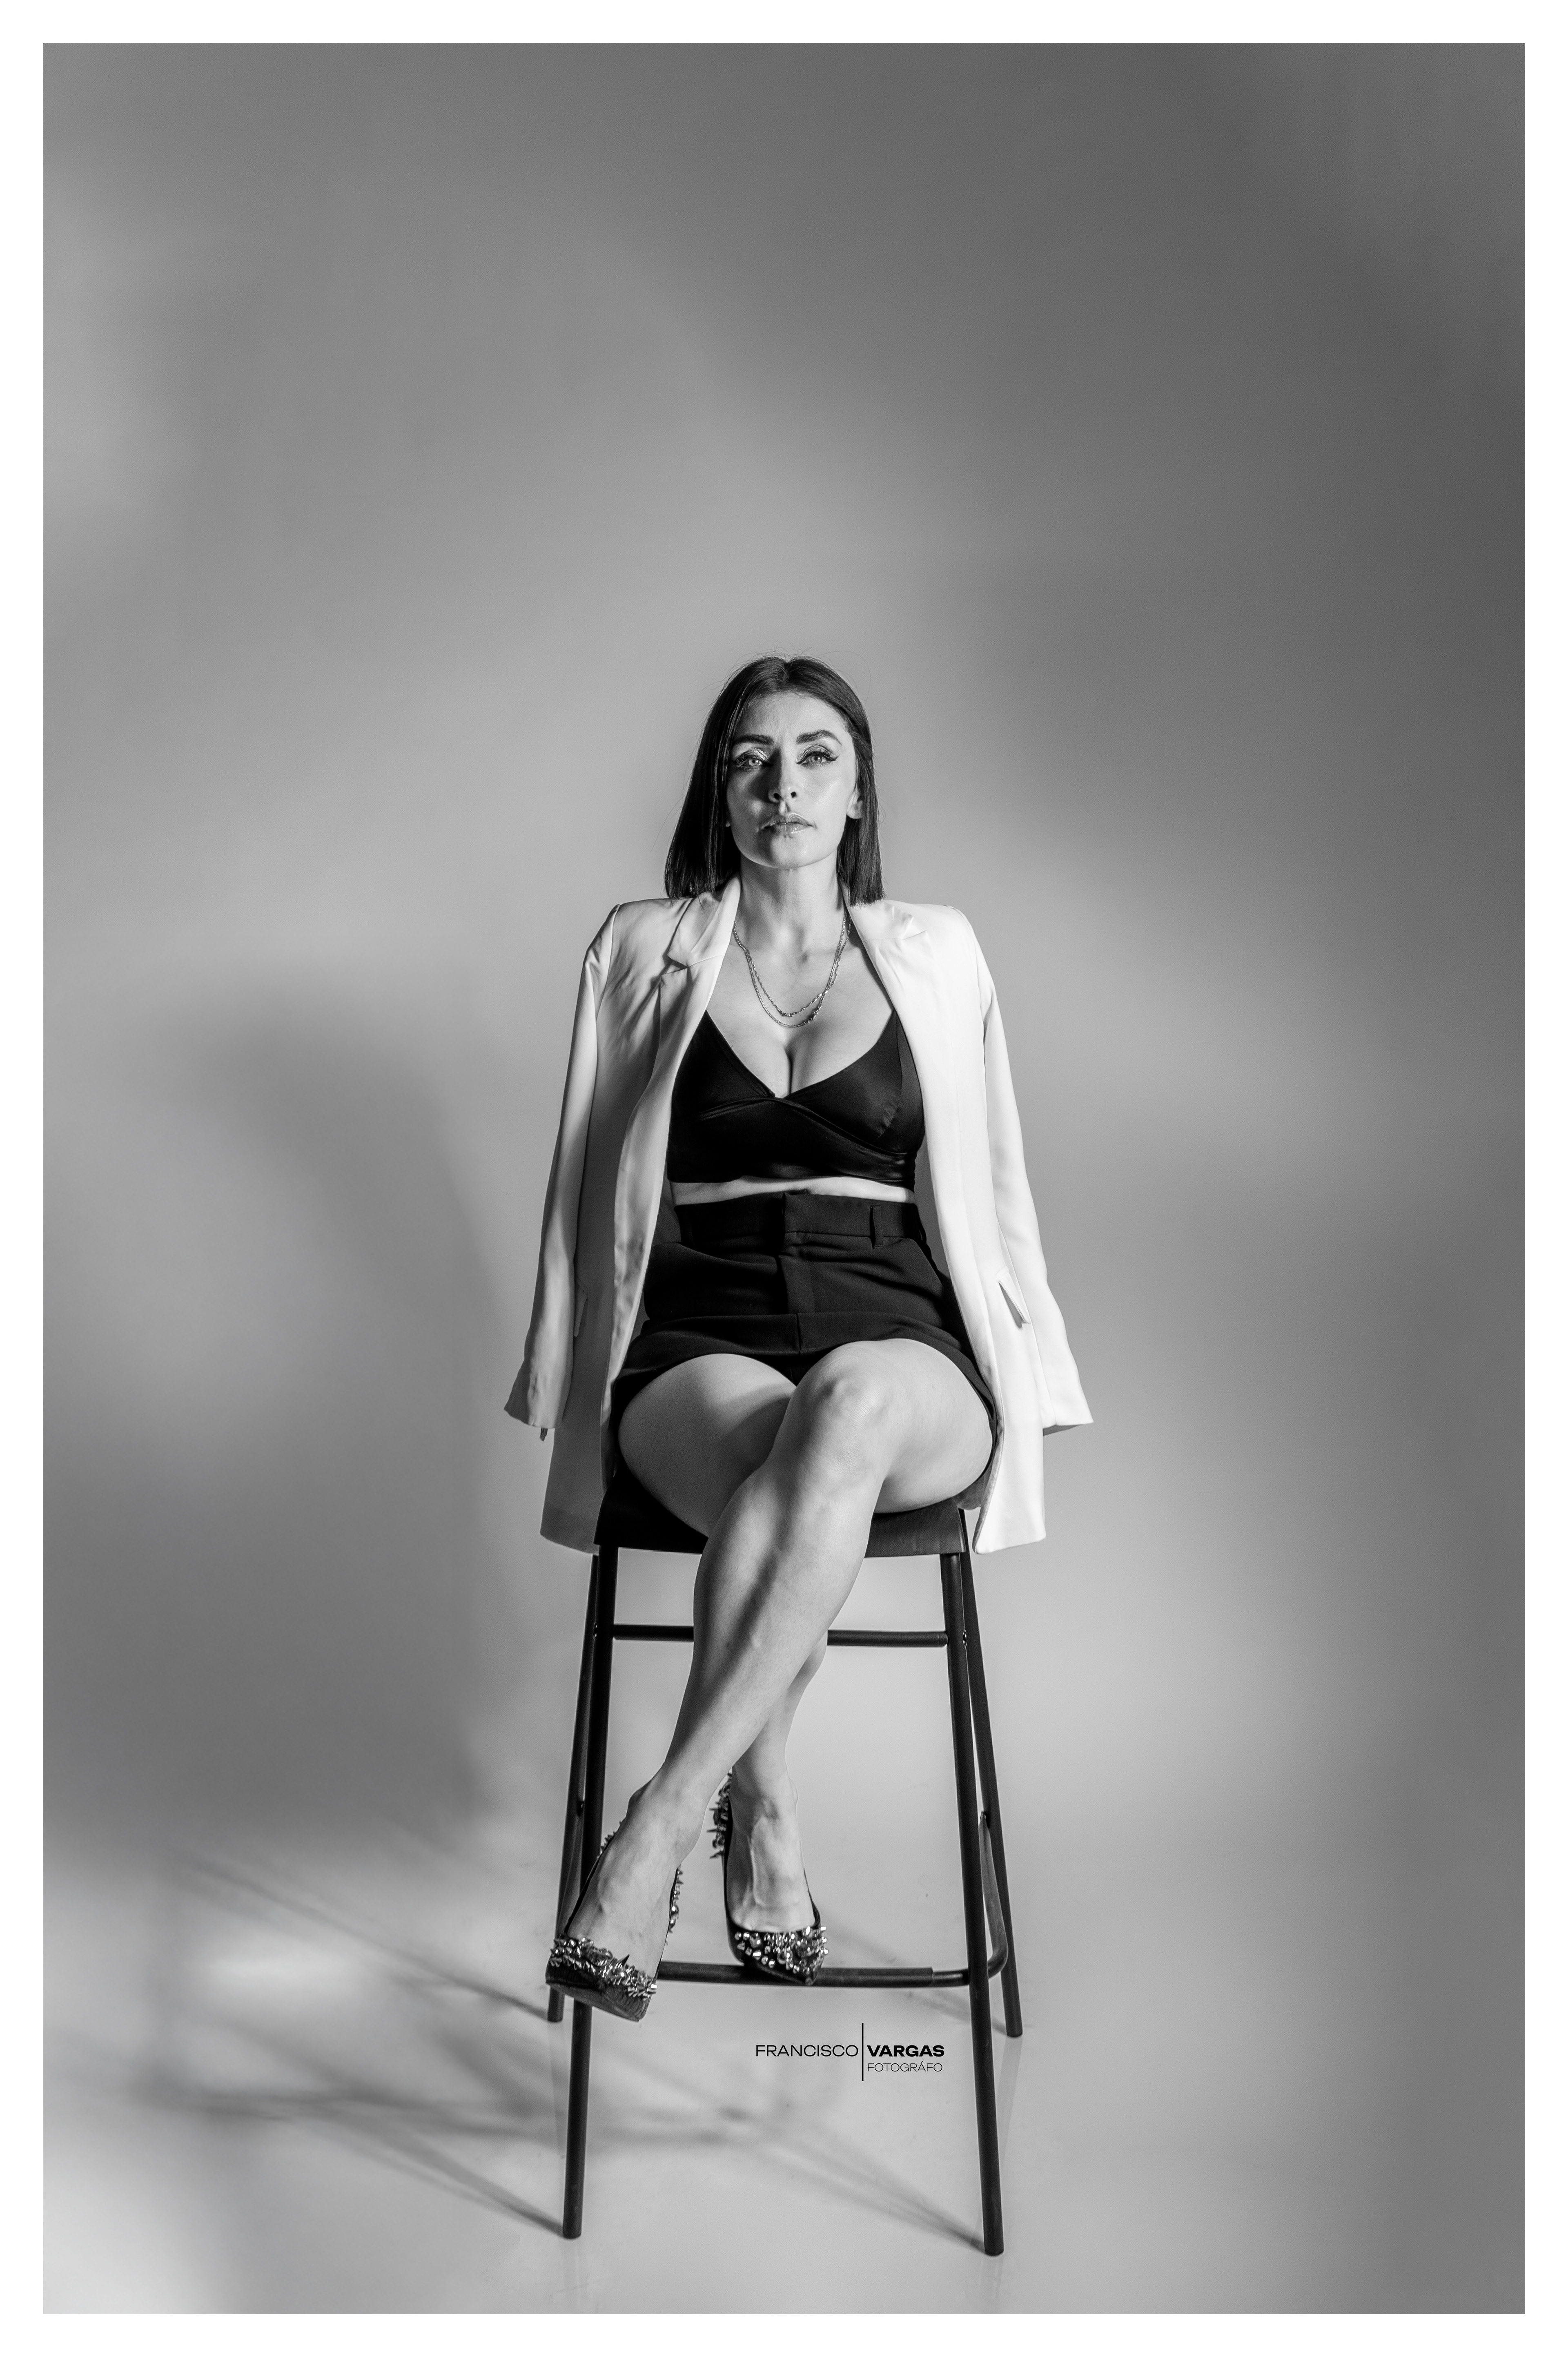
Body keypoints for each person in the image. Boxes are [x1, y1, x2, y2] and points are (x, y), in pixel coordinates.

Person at [507, 654, 1090, 2020]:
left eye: (817, 755)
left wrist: (1037, 1357)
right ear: (720, 790)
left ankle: (660, 1824)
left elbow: (996, 1174)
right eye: (753, 759)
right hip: (699, 1331)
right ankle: (761, 1801)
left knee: (846, 1411)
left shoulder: (937, 950)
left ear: (859, 787)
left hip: (902, 1334)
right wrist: (559, 1363)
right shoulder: (642, 947)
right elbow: (583, 1173)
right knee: (781, 1478)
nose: (785, 785)